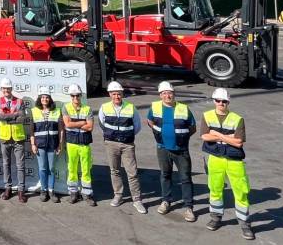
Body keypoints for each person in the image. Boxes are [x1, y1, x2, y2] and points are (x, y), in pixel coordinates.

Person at [201, 88, 254, 240]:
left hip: (234, 160)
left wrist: (217, 135)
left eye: (224, 101)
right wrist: (227, 137)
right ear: (214, 101)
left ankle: (244, 223)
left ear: (228, 102)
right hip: (215, 158)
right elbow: (204, 136)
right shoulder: (207, 116)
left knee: (241, 191)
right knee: (215, 189)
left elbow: (238, 142)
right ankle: (216, 217)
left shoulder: (237, 119)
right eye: (218, 100)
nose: (221, 103)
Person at [146, 81, 197, 222]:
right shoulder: (154, 107)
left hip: (181, 150)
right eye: (164, 93)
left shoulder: (184, 109)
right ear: (160, 95)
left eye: (170, 93)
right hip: (162, 149)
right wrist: (161, 135)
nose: (167, 95)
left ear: (174, 94)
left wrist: (180, 139)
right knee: (165, 175)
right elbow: (150, 121)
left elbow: (192, 128)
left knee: (186, 178)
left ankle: (189, 207)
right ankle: (166, 201)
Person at [99, 81, 146, 214]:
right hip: (111, 144)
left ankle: (136, 200)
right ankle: (118, 195)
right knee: (115, 170)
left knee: (132, 173)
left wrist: (126, 136)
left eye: (118, 94)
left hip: (127, 145)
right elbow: (102, 124)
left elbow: (137, 126)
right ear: (110, 94)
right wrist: (112, 135)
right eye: (114, 94)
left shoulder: (131, 107)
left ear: (122, 94)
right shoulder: (104, 107)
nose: (116, 96)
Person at [62, 84, 96, 206]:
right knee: (72, 168)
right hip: (72, 143)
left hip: (84, 143)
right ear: (70, 96)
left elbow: (90, 127)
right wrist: (82, 122)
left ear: (81, 95)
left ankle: (87, 194)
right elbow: (67, 124)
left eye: (77, 95)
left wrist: (75, 123)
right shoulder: (66, 108)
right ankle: (73, 193)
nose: (75, 97)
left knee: (86, 169)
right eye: (73, 95)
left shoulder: (87, 109)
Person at [0, 78, 28, 203]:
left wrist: (7, 116)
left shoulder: (20, 101)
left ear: (11, 89)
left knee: (20, 166)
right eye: (4, 88)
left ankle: (21, 191)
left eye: (8, 88)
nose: (6, 90)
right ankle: (8, 188)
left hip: (18, 138)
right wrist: (14, 114)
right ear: (1, 89)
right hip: (4, 137)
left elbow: (22, 118)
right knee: (6, 164)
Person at [30, 91, 64, 203]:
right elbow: (31, 130)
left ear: (50, 99)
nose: (44, 99)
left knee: (52, 169)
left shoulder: (57, 111)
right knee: (43, 168)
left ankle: (51, 191)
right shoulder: (34, 111)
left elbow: (61, 129)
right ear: (40, 99)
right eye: (42, 97)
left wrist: (60, 143)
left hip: (53, 145)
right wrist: (33, 144)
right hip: (40, 145)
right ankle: (43, 191)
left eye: (47, 97)